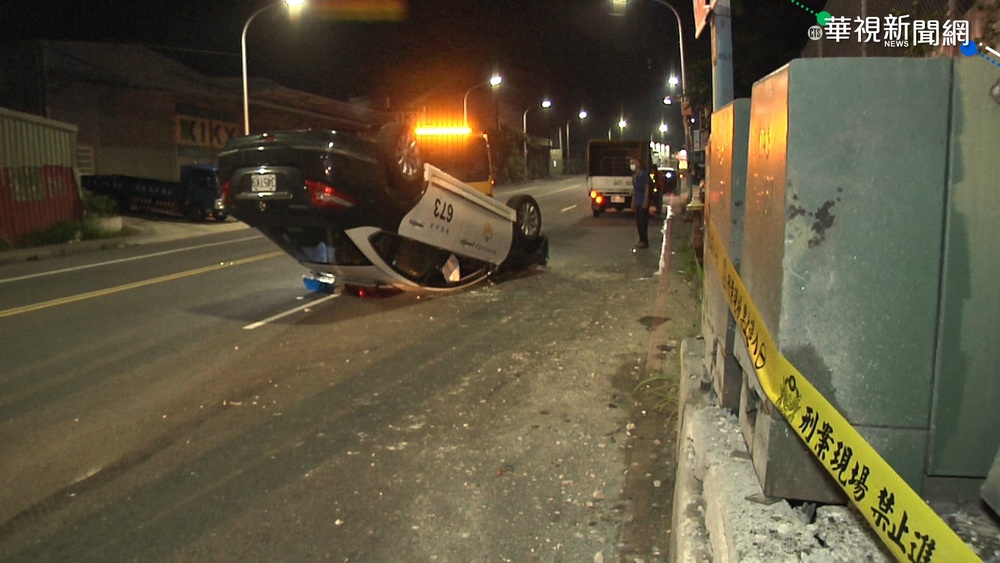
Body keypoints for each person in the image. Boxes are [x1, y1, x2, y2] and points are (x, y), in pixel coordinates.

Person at [631, 158, 651, 250]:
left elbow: (647, 189)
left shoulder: (644, 175)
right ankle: (641, 240)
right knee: (638, 222)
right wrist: (633, 202)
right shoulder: (635, 176)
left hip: (643, 201)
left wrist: (645, 202)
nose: (632, 164)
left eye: (634, 162)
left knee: (643, 222)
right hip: (638, 202)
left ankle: (644, 241)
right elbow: (634, 191)